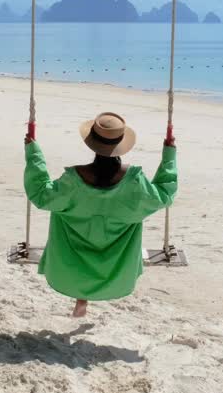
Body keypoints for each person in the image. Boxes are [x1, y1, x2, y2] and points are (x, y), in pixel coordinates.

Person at [24, 112, 178, 317]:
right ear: (121, 144)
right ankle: (84, 296)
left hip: (73, 263)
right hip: (113, 269)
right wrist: (169, 154)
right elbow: (165, 195)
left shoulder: (73, 182)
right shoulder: (134, 183)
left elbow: (40, 194)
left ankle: (81, 296)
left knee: (77, 239)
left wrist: (33, 153)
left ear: (92, 143)